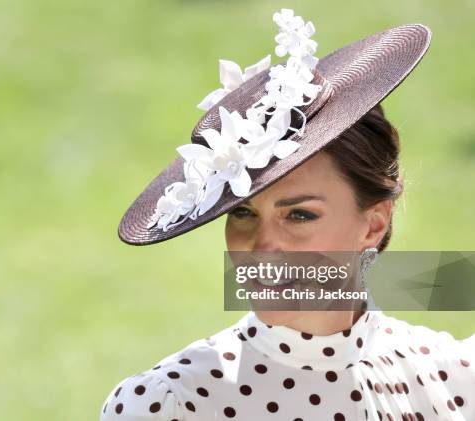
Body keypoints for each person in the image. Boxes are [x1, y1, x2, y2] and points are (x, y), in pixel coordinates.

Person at [101, 8, 475, 420]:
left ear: (374, 223)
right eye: (243, 212)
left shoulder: (455, 379)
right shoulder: (171, 404)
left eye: (299, 215)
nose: (263, 247)